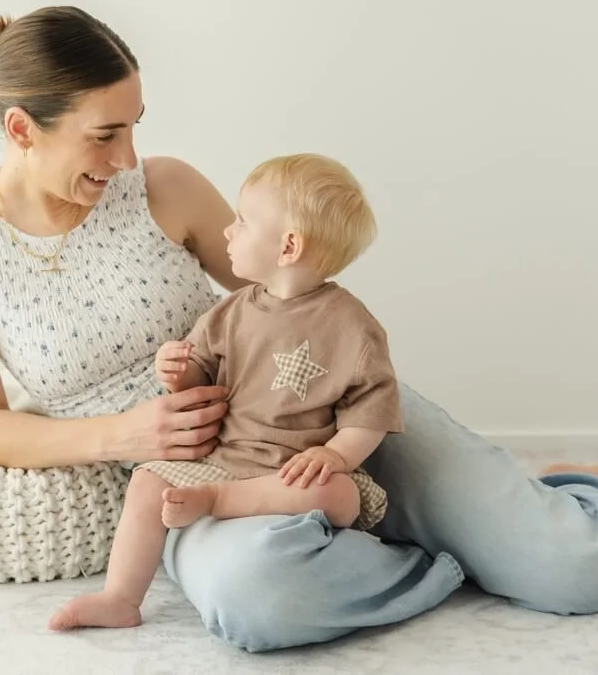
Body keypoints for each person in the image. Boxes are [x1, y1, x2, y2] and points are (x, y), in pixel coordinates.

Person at [0, 6, 598, 652]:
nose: (128, 156)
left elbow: (287, 282)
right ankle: (470, 537)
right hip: (207, 483)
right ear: (20, 130)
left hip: (328, 413)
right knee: (260, 601)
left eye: (135, 127)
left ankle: (556, 501)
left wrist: (339, 426)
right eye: (104, 135)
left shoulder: (162, 187)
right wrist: (127, 434)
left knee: (581, 569)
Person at [49, 152, 404, 631]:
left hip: (291, 471)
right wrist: (177, 372)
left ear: (288, 246)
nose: (228, 231)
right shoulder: (233, 310)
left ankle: (217, 503)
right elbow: (200, 377)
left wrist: (337, 456)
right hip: (223, 457)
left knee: (339, 494)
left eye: (242, 221)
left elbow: (371, 411)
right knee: (146, 482)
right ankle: (120, 597)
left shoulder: (352, 328)